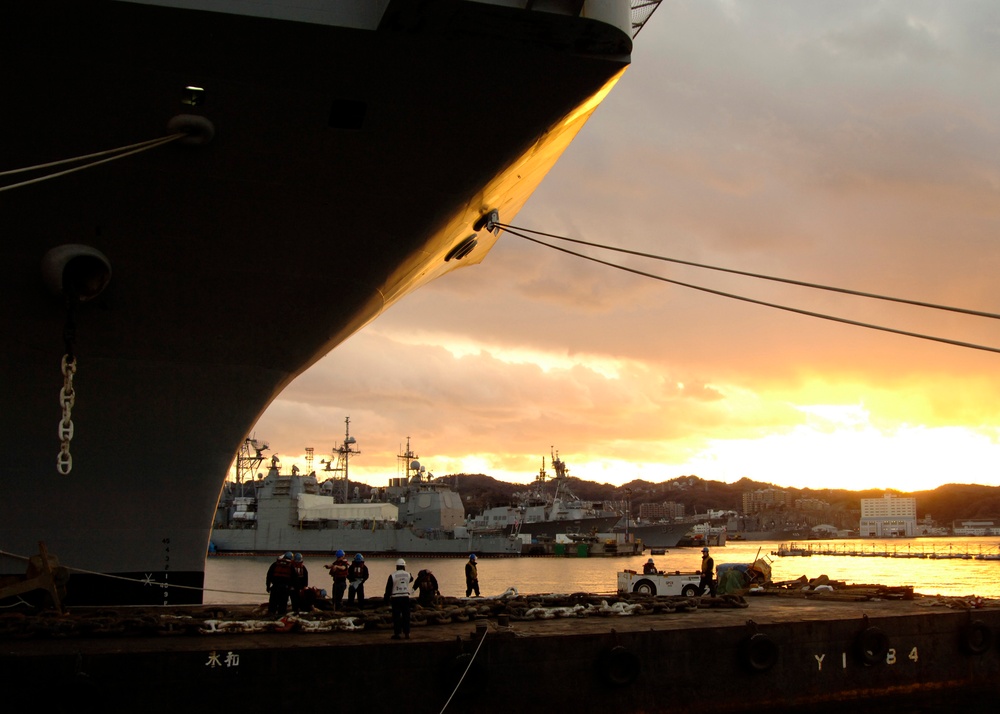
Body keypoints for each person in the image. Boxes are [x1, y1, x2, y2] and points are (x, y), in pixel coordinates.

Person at [384, 558, 413, 639]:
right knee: (406, 616)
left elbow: (388, 589)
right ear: (404, 566)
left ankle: (397, 634)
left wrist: (386, 600)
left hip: (396, 598)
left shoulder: (392, 576)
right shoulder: (408, 575)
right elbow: (411, 579)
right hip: (405, 597)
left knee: (396, 616)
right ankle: (407, 633)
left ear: (397, 566)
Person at [265, 551, 294, 616]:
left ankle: (271, 615)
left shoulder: (275, 564)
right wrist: (292, 588)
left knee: (273, 604)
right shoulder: (291, 566)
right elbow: (294, 579)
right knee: (283, 604)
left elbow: (269, 576)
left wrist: (268, 586)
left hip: (275, 587)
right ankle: (281, 616)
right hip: (285, 589)